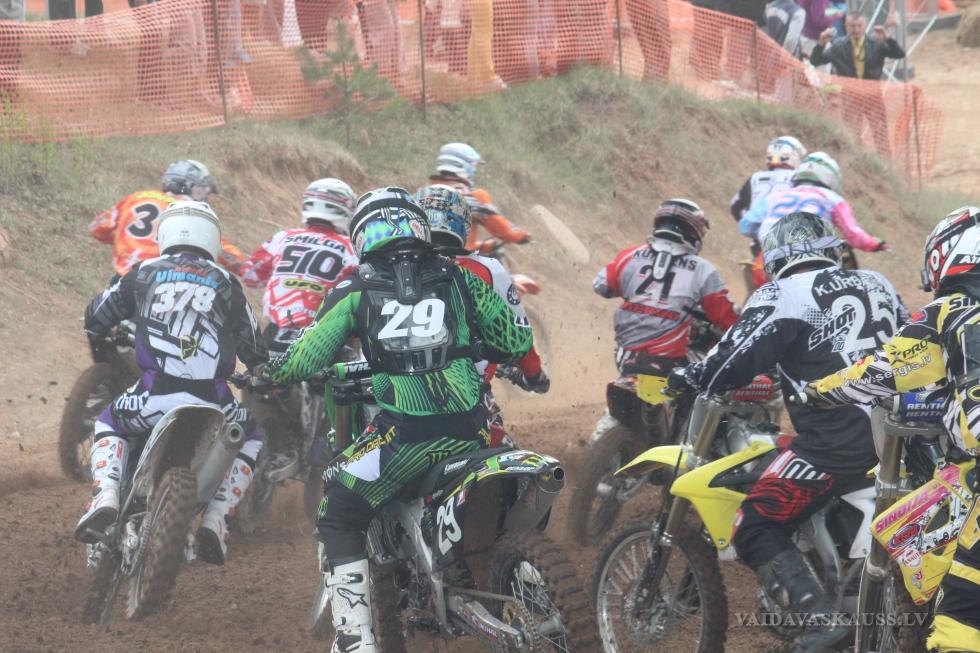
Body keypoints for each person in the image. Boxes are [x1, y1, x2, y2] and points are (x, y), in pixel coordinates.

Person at [263, 187, 533, 652]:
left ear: (362, 234)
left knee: (338, 504)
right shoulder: (461, 278)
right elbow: (515, 342)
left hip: (406, 437)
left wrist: (264, 372)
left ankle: (354, 640)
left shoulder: (354, 289)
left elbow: (303, 360)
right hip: (472, 428)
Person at [667, 211, 907, 651]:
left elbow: (729, 360)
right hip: (904, 439)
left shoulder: (783, 294)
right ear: (833, 250)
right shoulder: (878, 283)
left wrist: (691, 376)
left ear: (775, 259)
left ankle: (819, 619)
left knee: (754, 522)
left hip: (839, 446)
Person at [802, 206, 980, 653]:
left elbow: (879, 370)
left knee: (960, 624)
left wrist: (818, 390)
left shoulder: (954, 311)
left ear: (948, 255)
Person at [75, 201, 267, 566]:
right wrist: (259, 372)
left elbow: (97, 313)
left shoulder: (145, 272)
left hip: (154, 396)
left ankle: (105, 494)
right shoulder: (228, 284)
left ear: (165, 234)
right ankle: (217, 519)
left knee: (109, 421)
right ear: (212, 239)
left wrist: (103, 324)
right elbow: (256, 348)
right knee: (252, 436)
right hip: (214, 402)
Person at [416, 185, 549, 444]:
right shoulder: (486, 269)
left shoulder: (391, 269)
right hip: (466, 399)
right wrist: (534, 374)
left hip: (400, 398)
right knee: (508, 461)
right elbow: (517, 338)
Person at [594, 198, 739, 378]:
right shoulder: (703, 269)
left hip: (625, 357)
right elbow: (727, 316)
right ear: (695, 231)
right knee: (717, 363)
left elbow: (601, 285)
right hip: (670, 362)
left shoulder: (630, 255)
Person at [241, 178, 358, 357]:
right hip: (327, 337)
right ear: (345, 209)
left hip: (276, 335)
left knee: (259, 374)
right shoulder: (351, 246)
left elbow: (250, 276)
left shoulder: (282, 237)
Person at [89, 160, 245, 277]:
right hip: (163, 280)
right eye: (204, 190)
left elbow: (97, 228)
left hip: (124, 276)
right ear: (193, 187)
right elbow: (230, 256)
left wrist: (123, 237)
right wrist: (243, 266)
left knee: (102, 309)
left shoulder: (135, 198)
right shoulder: (192, 211)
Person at [739, 151, 886, 255]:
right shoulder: (833, 199)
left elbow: (746, 225)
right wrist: (874, 243)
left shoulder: (774, 196)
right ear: (831, 177)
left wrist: (765, 234)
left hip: (770, 255)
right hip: (811, 255)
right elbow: (853, 234)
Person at [811, 13, 906, 156]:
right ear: (846, 26)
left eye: (859, 26)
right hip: (851, 97)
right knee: (852, 135)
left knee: (880, 135)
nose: (856, 29)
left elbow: (899, 54)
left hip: (873, 96)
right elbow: (816, 61)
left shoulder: (876, 43)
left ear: (865, 26)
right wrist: (821, 43)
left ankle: (885, 163)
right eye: (852, 26)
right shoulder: (838, 46)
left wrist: (888, 38)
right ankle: (855, 163)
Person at [427, 142, 530, 254]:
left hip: (425, 259)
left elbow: (443, 239)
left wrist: (483, 246)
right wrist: (522, 236)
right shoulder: (473, 196)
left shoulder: (423, 194)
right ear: (463, 166)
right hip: (458, 262)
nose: (474, 171)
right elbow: (503, 230)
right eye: (473, 167)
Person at [730, 136, 807, 230]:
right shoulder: (798, 178)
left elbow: (736, 207)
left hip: (759, 235)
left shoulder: (755, 178)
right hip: (786, 234)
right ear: (793, 155)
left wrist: (751, 222)